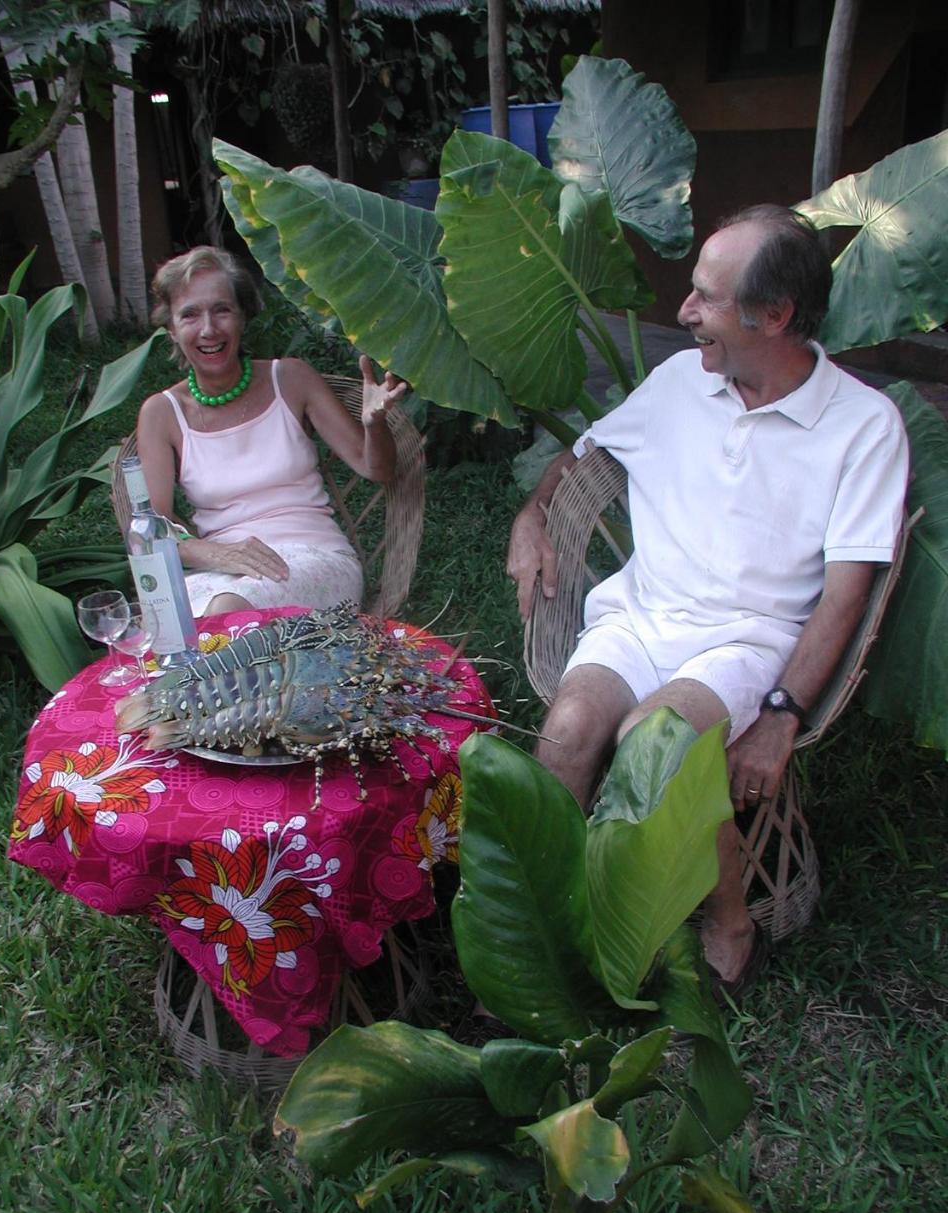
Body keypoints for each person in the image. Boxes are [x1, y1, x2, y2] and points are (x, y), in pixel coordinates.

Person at [507, 205, 909, 996]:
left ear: (775, 315)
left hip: (750, 642)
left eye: (706, 298)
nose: (684, 312)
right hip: (641, 617)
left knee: (653, 741)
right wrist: (532, 518)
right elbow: (580, 456)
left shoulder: (863, 426)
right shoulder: (675, 386)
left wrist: (783, 716)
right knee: (569, 728)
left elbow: (844, 596)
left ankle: (729, 923)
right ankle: (543, 932)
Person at [136, 245, 407, 616]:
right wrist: (216, 554)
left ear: (243, 317)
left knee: (225, 617)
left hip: (314, 560)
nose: (209, 329)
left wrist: (374, 425)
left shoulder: (292, 378)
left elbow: (377, 468)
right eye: (190, 315)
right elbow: (152, 530)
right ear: (172, 330)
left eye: (222, 310)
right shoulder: (161, 413)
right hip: (223, 572)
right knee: (168, 624)